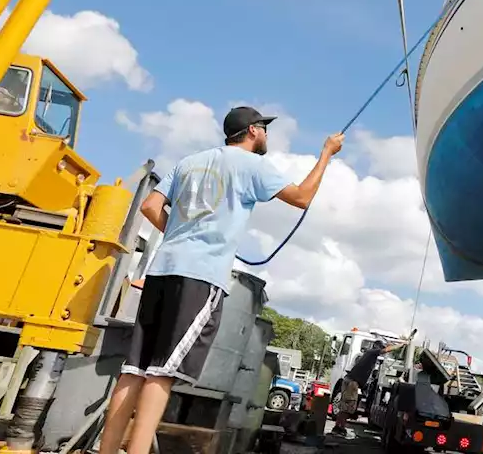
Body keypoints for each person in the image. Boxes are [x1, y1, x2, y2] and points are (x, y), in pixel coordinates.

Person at [98, 106, 344, 454]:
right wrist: (326, 155)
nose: (267, 136)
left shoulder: (189, 162)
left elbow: (150, 206)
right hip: (200, 276)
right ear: (254, 131)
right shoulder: (252, 165)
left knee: (134, 367)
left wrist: (182, 234)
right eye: (265, 129)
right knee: (162, 372)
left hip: (161, 269)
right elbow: (302, 197)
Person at [332, 339, 402, 440]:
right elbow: (386, 350)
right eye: (381, 348)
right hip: (352, 382)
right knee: (347, 408)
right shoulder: (372, 352)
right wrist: (401, 345)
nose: (382, 351)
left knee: (345, 406)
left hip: (349, 380)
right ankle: (339, 428)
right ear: (377, 347)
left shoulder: (368, 354)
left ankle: (339, 427)